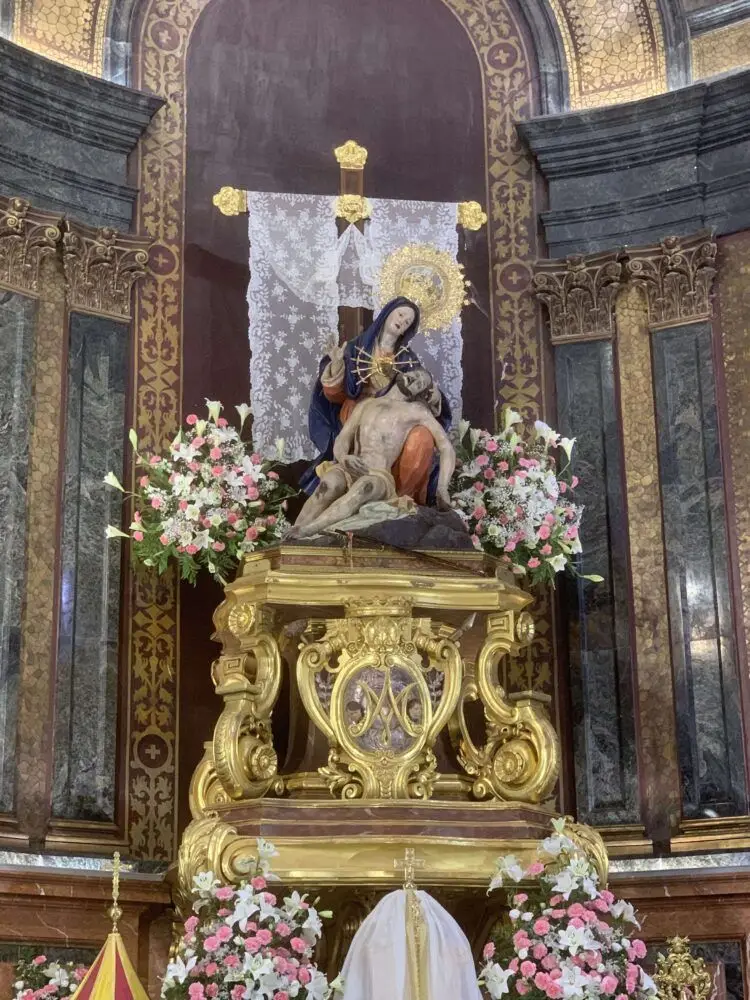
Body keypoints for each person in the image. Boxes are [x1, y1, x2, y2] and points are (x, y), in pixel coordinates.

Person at [301, 297, 451, 504]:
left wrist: (433, 395)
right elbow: (333, 395)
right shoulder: (355, 348)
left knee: (422, 437)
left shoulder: (406, 358)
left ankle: (401, 499)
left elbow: (423, 387)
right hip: (360, 410)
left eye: (407, 322)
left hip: (395, 416)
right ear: (387, 313)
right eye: (401, 314)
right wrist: (336, 365)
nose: (402, 321)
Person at [288, 365, 455, 539]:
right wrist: (344, 458)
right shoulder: (367, 404)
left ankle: (309, 531)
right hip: (349, 466)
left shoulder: (415, 411)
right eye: (416, 374)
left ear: (418, 393)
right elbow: (343, 438)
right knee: (328, 485)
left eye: (421, 383)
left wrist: (442, 487)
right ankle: (292, 535)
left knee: (363, 488)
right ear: (404, 373)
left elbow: (446, 448)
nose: (416, 380)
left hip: (377, 475)